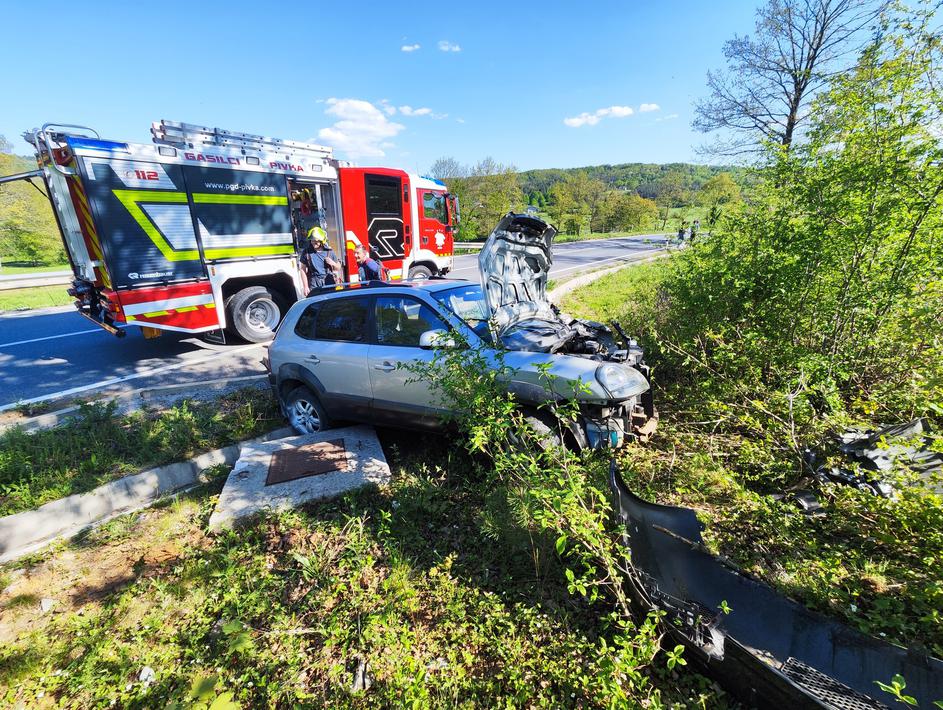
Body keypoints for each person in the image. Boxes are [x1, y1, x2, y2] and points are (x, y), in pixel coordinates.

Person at [300, 226, 341, 293]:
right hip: (314, 283)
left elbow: (338, 268)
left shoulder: (329, 251)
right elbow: (302, 269)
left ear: (322, 241)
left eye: (316, 241)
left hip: (328, 281)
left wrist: (333, 263)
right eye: (312, 240)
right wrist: (305, 287)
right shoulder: (306, 252)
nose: (313, 242)